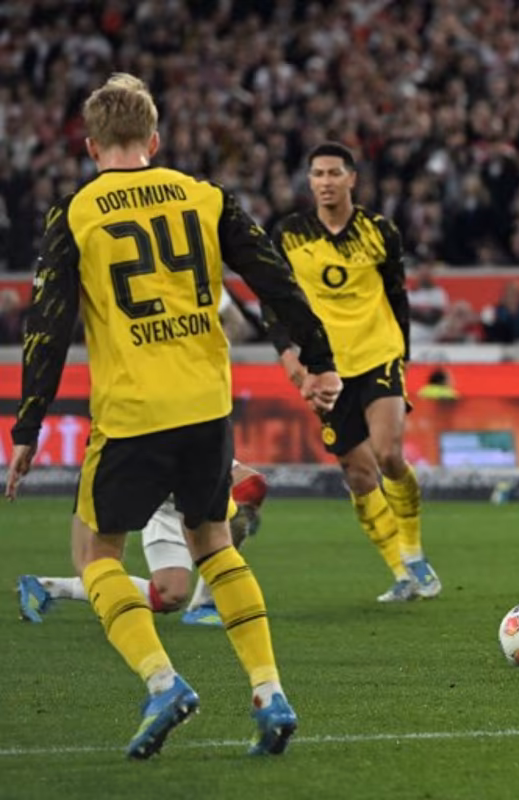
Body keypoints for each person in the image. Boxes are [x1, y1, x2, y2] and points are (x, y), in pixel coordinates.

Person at [4, 74, 343, 759]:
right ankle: (269, 690)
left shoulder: (76, 212)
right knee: (213, 542)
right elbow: (272, 273)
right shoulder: (205, 196)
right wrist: (321, 356)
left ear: (91, 144)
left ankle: (163, 682)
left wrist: (27, 426)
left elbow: (47, 326)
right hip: (205, 404)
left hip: (132, 411)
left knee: (95, 553)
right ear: (155, 140)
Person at [267, 141, 440, 603]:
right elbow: (276, 304)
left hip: (378, 354)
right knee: (358, 474)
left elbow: (397, 295)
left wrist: (401, 353)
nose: (325, 181)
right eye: (317, 174)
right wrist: (289, 358)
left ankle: (414, 550)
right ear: (310, 181)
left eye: (333, 173)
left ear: (351, 179)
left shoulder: (379, 232)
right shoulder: (289, 235)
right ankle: (400, 572)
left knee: (387, 454)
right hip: (327, 369)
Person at [17, 461, 269, 627]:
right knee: (168, 594)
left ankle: (204, 604)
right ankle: (47, 587)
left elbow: (250, 482)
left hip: (188, 473)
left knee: (170, 595)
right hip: (160, 498)